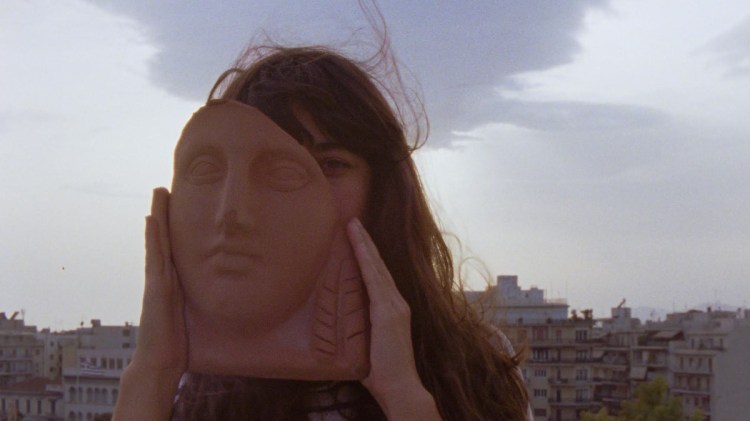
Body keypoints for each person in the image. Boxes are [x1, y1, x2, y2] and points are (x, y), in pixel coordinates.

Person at [113, 39, 530, 421]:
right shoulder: (189, 386)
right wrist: (152, 373)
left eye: (329, 165)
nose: (236, 210)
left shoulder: (477, 368)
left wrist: (404, 394)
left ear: (381, 190)